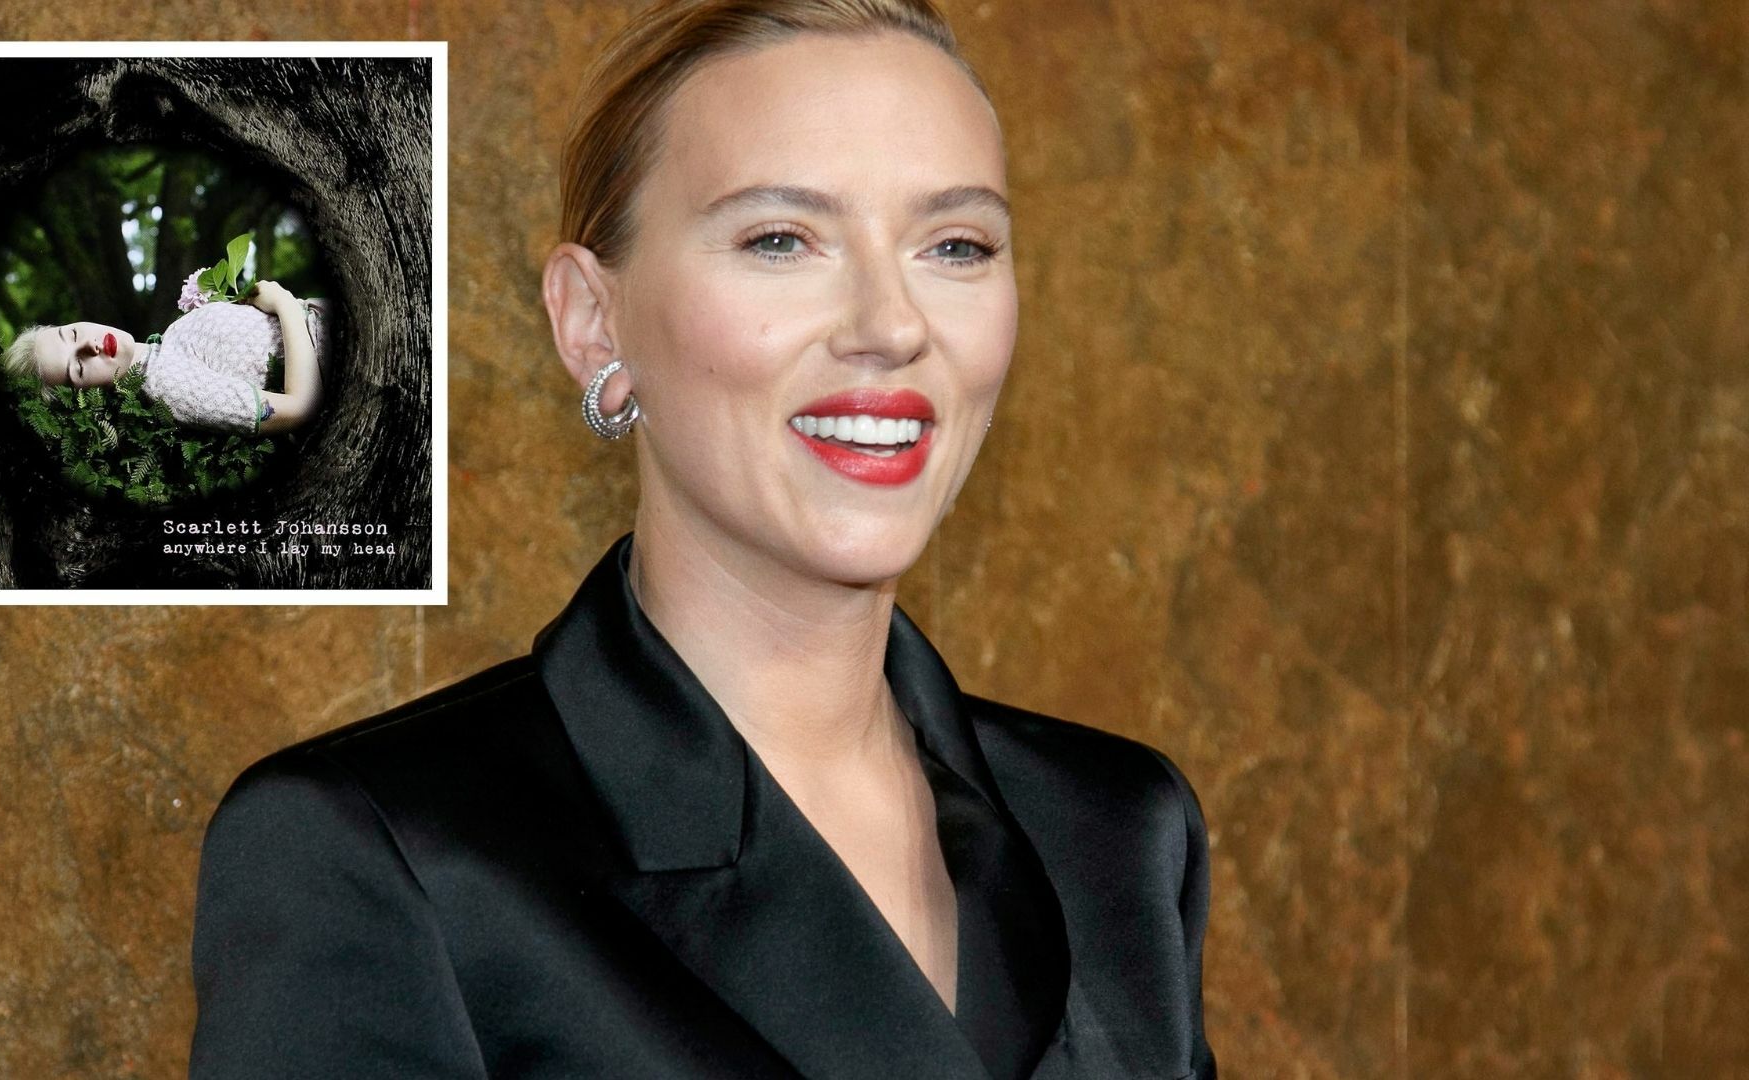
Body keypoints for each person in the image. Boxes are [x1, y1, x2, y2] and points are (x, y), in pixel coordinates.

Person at [188, 1, 1216, 1077]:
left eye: (956, 245)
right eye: (782, 240)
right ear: (593, 320)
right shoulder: (377, 853)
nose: (892, 325)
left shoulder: (1121, 832)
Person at [0, 279, 329, 436]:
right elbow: (300, 407)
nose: (89, 346)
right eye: (78, 368)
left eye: (71, 334)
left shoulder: (166, 346)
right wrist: (283, 302)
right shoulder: (170, 389)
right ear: (86, 398)